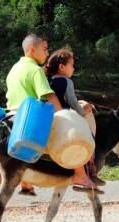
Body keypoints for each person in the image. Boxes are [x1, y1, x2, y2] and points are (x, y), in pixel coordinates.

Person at [5, 34, 102, 195]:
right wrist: (65, 116)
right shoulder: (35, 70)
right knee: (73, 134)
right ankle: (81, 176)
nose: (47, 53)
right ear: (32, 49)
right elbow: (49, 96)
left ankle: (26, 182)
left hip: (11, 116)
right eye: (44, 49)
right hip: (29, 117)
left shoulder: (14, 69)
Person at [45, 46, 106, 187]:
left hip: (50, 118)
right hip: (65, 118)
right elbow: (74, 105)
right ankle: (91, 168)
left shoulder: (49, 81)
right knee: (88, 135)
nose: (74, 68)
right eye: (71, 65)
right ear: (61, 66)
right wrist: (85, 109)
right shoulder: (67, 82)